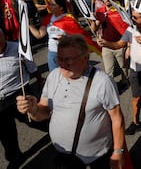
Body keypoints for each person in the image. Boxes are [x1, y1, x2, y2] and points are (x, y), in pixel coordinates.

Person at [16, 34, 125, 169]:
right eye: (60, 59)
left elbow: (117, 118)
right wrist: (33, 109)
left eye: (68, 60)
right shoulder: (54, 76)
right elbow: (43, 111)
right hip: (63, 156)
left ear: (86, 58)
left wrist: (118, 152)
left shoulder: (102, 82)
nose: (62, 64)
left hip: (96, 157)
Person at [98, 10, 141, 135]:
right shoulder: (131, 30)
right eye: (132, 16)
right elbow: (118, 44)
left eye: (135, 17)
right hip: (135, 69)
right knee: (136, 97)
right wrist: (106, 44)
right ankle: (136, 122)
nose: (133, 19)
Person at [0, 28, 46, 168]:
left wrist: (40, 81)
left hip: (19, 93)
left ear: (3, 36)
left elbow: (32, 68)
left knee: (33, 120)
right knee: (5, 132)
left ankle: (60, 133)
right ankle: (15, 157)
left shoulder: (19, 48)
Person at [29, 0, 100, 71]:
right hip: (52, 53)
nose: (50, 7)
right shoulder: (48, 17)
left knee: (70, 76)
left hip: (67, 53)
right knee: (55, 78)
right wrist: (29, 24)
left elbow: (79, 36)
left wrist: (66, 39)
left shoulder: (68, 19)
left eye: (53, 5)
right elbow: (39, 35)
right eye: (50, 4)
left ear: (61, 7)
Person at [91, 0, 129, 90]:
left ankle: (125, 81)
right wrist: (92, 20)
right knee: (108, 71)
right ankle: (111, 88)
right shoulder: (100, 11)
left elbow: (127, 29)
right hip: (106, 45)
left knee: (123, 67)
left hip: (119, 44)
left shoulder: (120, 10)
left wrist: (128, 46)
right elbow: (95, 28)